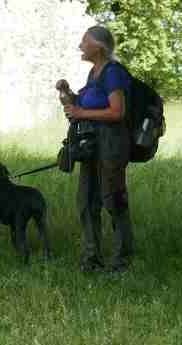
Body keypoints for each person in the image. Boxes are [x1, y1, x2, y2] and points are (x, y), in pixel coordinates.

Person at [56, 25, 136, 273]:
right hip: (91, 144)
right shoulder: (94, 74)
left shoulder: (113, 73)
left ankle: (121, 262)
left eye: (84, 41)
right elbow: (85, 104)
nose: (80, 46)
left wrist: (81, 112)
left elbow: (117, 111)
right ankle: (92, 260)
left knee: (113, 200)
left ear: (98, 47)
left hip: (112, 143)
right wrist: (68, 95)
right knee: (86, 201)